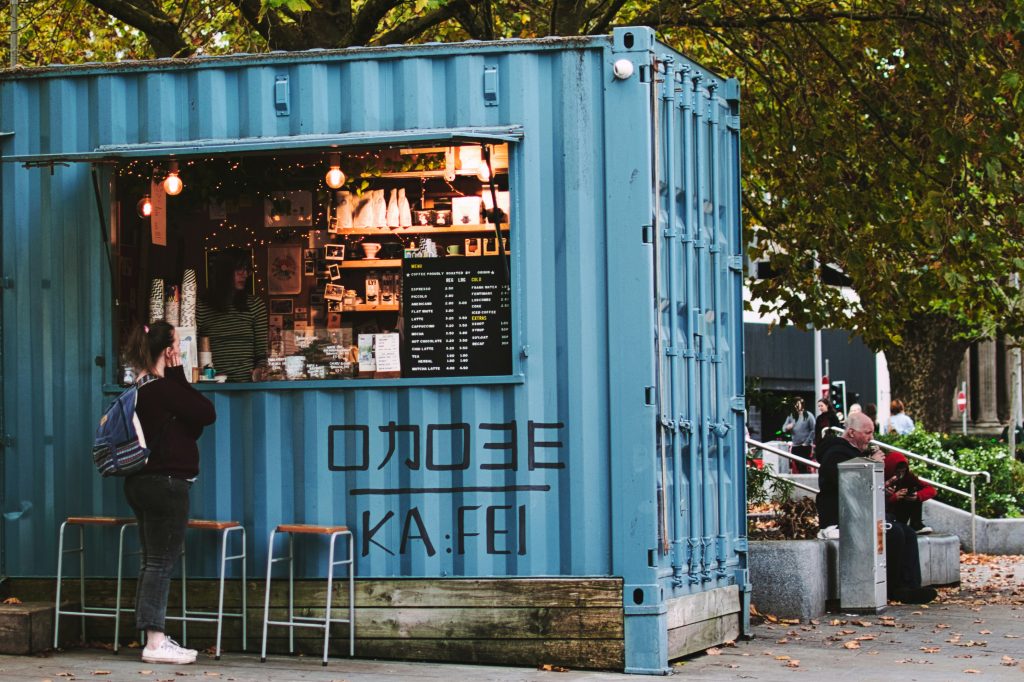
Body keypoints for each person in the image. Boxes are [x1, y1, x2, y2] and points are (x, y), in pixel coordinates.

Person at [122, 320, 217, 664]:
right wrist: (178, 373)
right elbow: (206, 413)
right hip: (166, 484)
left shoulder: (140, 390)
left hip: (139, 483)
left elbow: (192, 424)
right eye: (178, 345)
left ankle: (154, 637)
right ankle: (155, 642)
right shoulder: (164, 388)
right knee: (161, 562)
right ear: (169, 350)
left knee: (152, 561)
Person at [197, 250, 269, 382]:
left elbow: (262, 353)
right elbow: (191, 348)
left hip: (247, 385)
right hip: (212, 385)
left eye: (247, 270)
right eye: (238, 269)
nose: (245, 274)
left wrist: (259, 371)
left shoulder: (255, 305)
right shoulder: (202, 306)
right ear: (223, 272)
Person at [815, 411, 876, 539]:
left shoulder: (852, 453)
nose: (871, 438)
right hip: (839, 520)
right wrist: (872, 463)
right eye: (868, 433)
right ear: (852, 433)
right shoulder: (836, 454)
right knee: (894, 534)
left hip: (854, 517)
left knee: (904, 533)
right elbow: (852, 485)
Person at [884, 451, 936, 534]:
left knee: (915, 492)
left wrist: (917, 496)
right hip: (885, 516)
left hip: (901, 515)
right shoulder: (881, 476)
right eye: (897, 472)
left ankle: (916, 524)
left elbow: (931, 489)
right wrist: (893, 497)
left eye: (903, 472)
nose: (900, 475)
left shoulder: (908, 476)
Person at [782, 397, 816, 473]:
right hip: (795, 445)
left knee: (804, 466)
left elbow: (813, 429)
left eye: (798, 404)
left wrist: (807, 442)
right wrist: (788, 427)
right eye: (794, 404)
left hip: (805, 446)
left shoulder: (808, 415)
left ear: (802, 405)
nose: (796, 406)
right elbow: (783, 428)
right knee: (797, 467)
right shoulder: (791, 415)